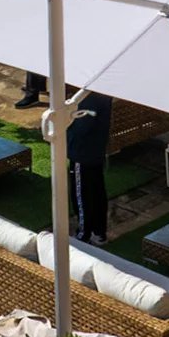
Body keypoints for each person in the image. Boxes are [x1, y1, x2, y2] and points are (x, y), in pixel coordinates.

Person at [67, 90, 112, 245]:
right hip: (95, 152)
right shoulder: (101, 94)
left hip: (83, 153)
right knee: (96, 192)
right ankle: (99, 232)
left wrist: (65, 124)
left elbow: (82, 127)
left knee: (82, 195)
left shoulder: (89, 98)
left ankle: (84, 234)